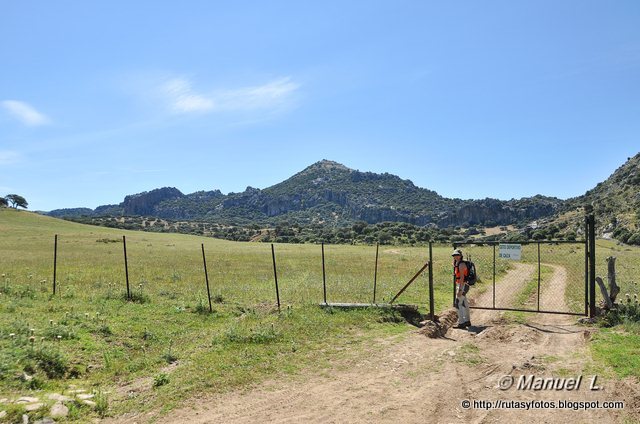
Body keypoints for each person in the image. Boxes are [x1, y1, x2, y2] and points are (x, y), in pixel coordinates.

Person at [452, 249, 471, 329]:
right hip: (464, 285)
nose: (455, 256)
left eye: (457, 255)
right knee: (464, 303)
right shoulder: (459, 263)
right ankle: (467, 321)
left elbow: (462, 277)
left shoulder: (461, 265)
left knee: (457, 303)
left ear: (460, 256)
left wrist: (460, 290)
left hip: (462, 285)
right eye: (454, 255)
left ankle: (461, 323)